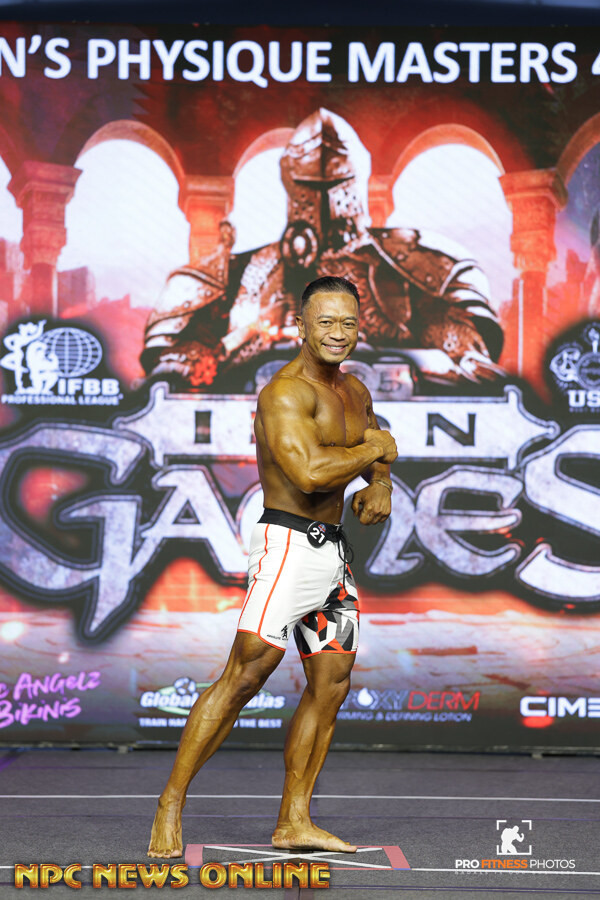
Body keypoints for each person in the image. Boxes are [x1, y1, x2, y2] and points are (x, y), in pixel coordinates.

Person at [147, 275, 398, 858]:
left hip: (332, 557)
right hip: (288, 549)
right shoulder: (283, 393)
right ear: (301, 325)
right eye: (326, 322)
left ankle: (294, 820)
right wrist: (377, 449)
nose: (338, 333)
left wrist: (381, 482)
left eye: (348, 323)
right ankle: (171, 802)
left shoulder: (355, 390)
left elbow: (371, 446)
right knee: (244, 675)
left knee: (332, 685)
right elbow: (310, 473)